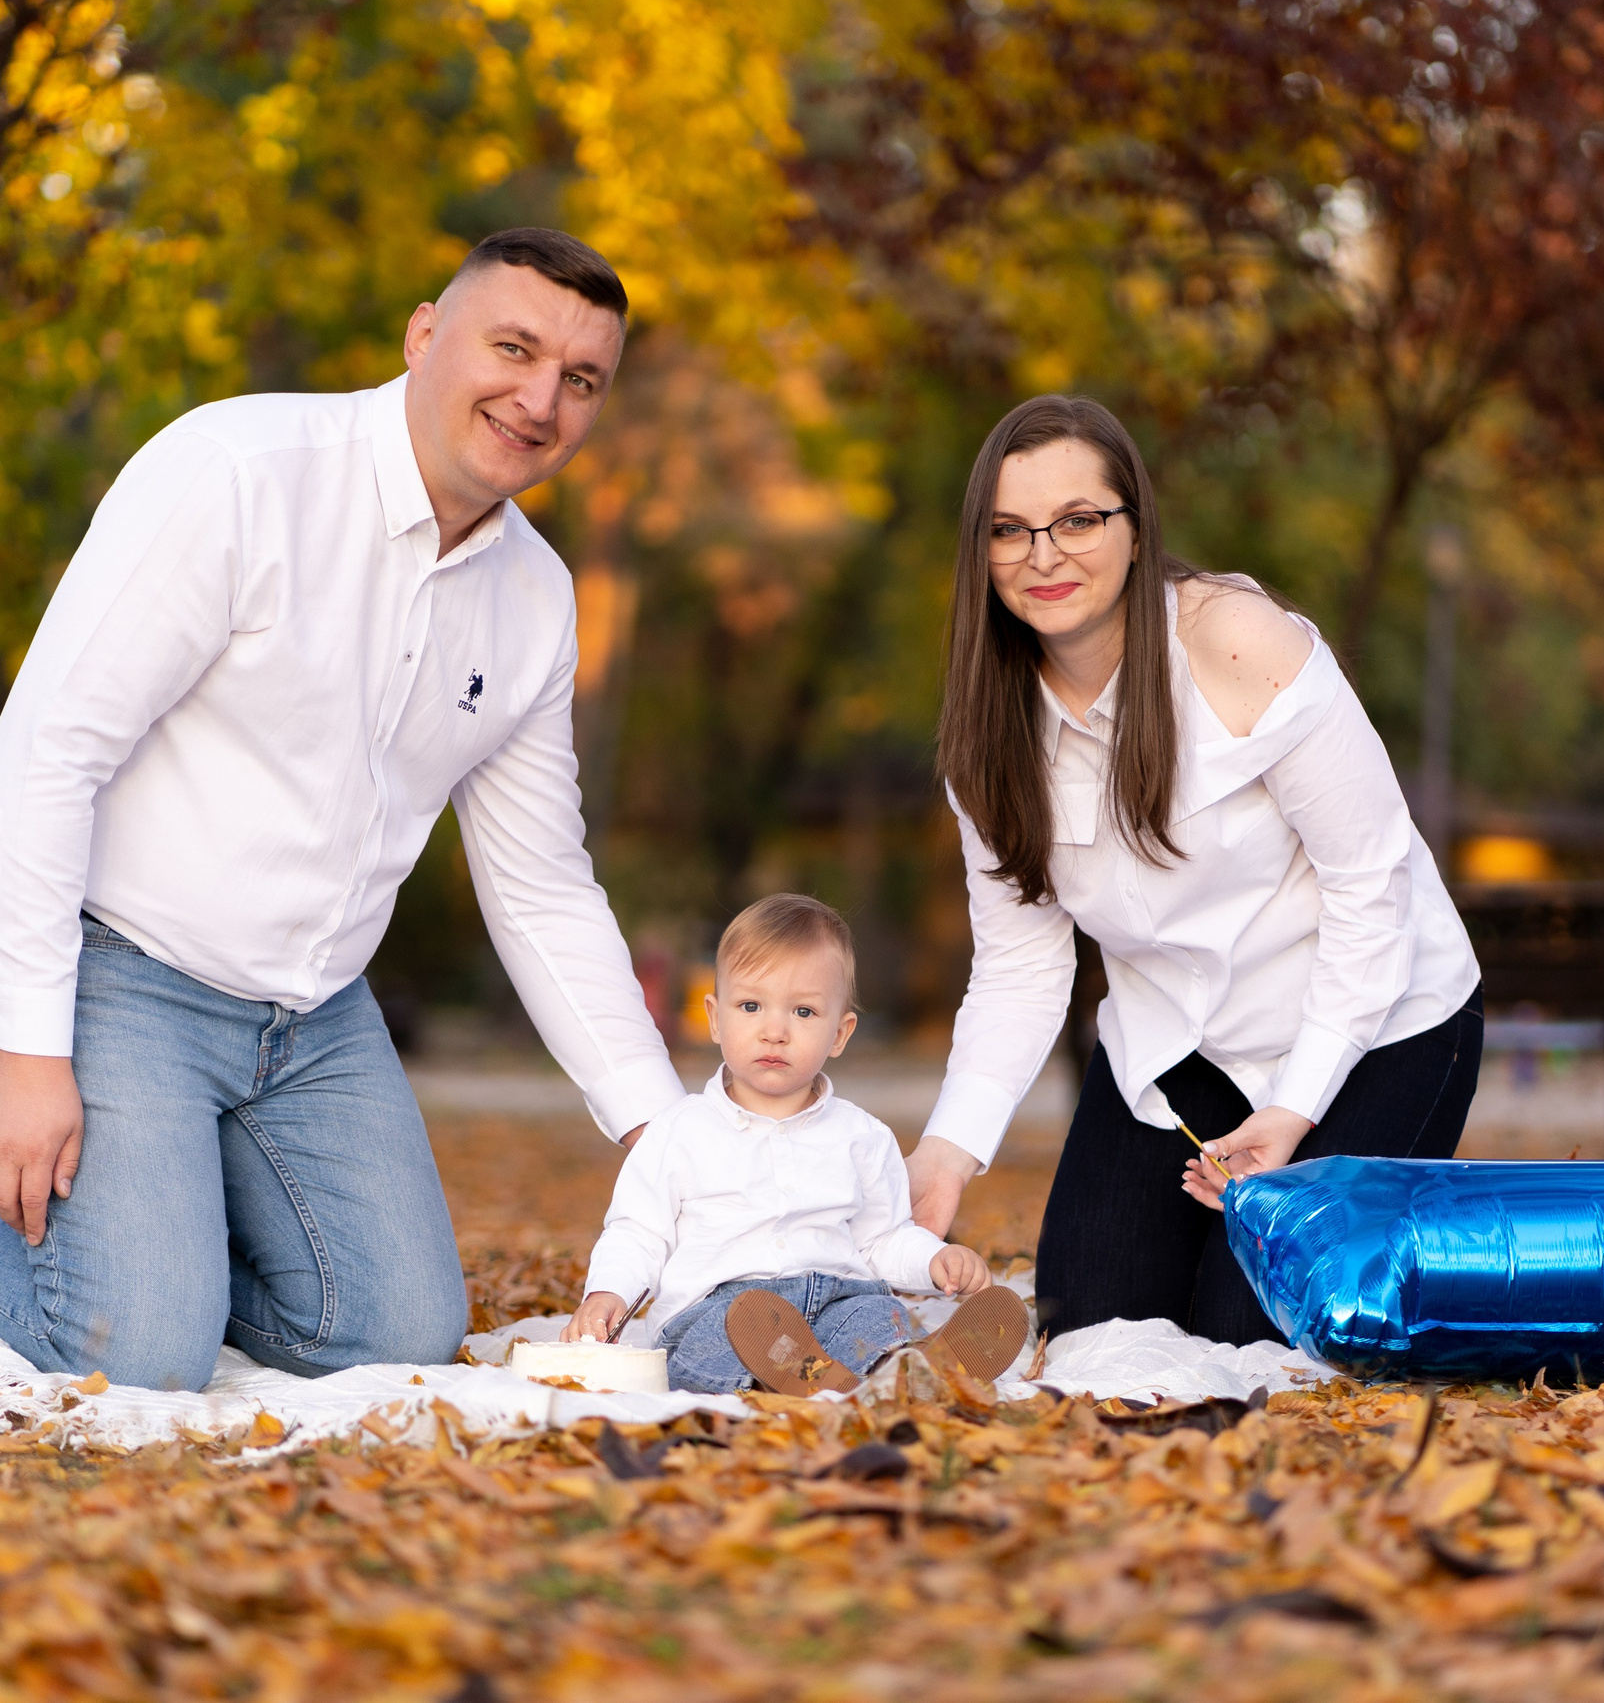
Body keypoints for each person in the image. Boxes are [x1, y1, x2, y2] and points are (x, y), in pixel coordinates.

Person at [0, 229, 688, 1389]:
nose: (539, 399)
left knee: (394, 1335)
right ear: (426, 333)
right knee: (134, 1348)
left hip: (314, 1022)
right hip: (116, 968)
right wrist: (29, 1056)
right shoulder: (238, 470)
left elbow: (538, 885)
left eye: (581, 380)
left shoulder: (535, 598)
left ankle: (154, 1234)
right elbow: (48, 747)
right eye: (513, 347)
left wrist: (665, 1136)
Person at [902, 395, 1484, 1347]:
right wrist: (949, 1151)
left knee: (1253, 1336)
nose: (1043, 555)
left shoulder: (1235, 641)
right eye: (1009, 531)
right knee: (1090, 1329)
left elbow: (1370, 883)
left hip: (1375, 1026)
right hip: (1177, 1047)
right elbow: (1021, 964)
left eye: (1079, 521)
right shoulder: (987, 734)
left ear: (1135, 526)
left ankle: (1446, 1270)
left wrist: (1292, 1113)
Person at [562, 895, 1027, 1395]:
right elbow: (639, 1232)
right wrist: (608, 1292)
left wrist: (934, 1260)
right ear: (715, 1019)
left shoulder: (863, 1137)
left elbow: (882, 1240)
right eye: (751, 1006)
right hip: (721, 1308)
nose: (775, 1031)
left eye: (803, 1011)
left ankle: (906, 1370)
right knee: (718, 1339)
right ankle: (822, 1377)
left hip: (835, 1300)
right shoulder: (679, 1132)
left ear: (839, 1033)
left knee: (877, 1313)